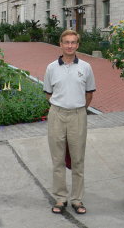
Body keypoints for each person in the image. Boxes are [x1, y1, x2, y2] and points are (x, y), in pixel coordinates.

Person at [43, 29, 95, 215]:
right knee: (57, 159)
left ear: (78, 45)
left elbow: (89, 93)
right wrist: (61, 106)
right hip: (56, 115)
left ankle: (77, 199)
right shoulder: (51, 68)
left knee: (78, 159)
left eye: (73, 42)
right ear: (61, 44)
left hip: (78, 115)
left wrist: (79, 108)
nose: (70, 45)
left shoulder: (86, 67)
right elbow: (49, 93)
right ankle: (60, 198)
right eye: (67, 42)